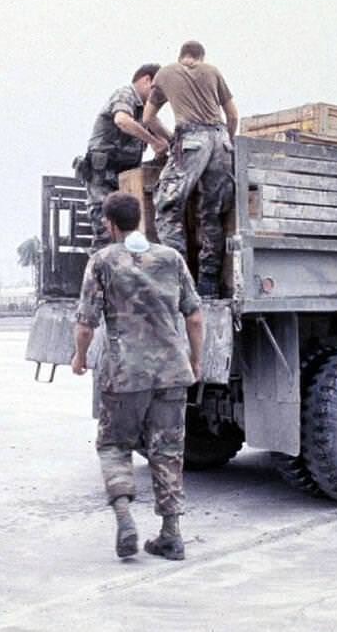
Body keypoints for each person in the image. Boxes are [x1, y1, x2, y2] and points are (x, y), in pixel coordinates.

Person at [71, 192, 204, 560]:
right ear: (140, 219)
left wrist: (80, 358)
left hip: (125, 375)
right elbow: (194, 316)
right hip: (172, 372)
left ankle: (125, 516)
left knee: (114, 445)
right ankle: (172, 535)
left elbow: (85, 324)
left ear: (109, 224)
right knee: (168, 451)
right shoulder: (171, 258)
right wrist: (196, 361)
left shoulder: (102, 262)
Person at [141, 40, 239, 298]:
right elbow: (233, 116)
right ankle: (208, 285)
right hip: (220, 141)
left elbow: (148, 118)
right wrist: (227, 142)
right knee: (212, 213)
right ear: (201, 56)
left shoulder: (165, 73)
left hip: (191, 139)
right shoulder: (213, 71)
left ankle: (179, 281)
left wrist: (170, 139)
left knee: (167, 206)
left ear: (181, 55)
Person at [77, 63, 169, 251]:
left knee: (127, 238)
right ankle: (97, 278)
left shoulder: (145, 111)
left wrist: (170, 142)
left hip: (124, 180)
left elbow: (161, 132)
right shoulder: (125, 94)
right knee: (105, 233)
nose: (160, 99)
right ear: (147, 81)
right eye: (159, 92)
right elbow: (122, 120)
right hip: (103, 177)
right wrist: (152, 141)